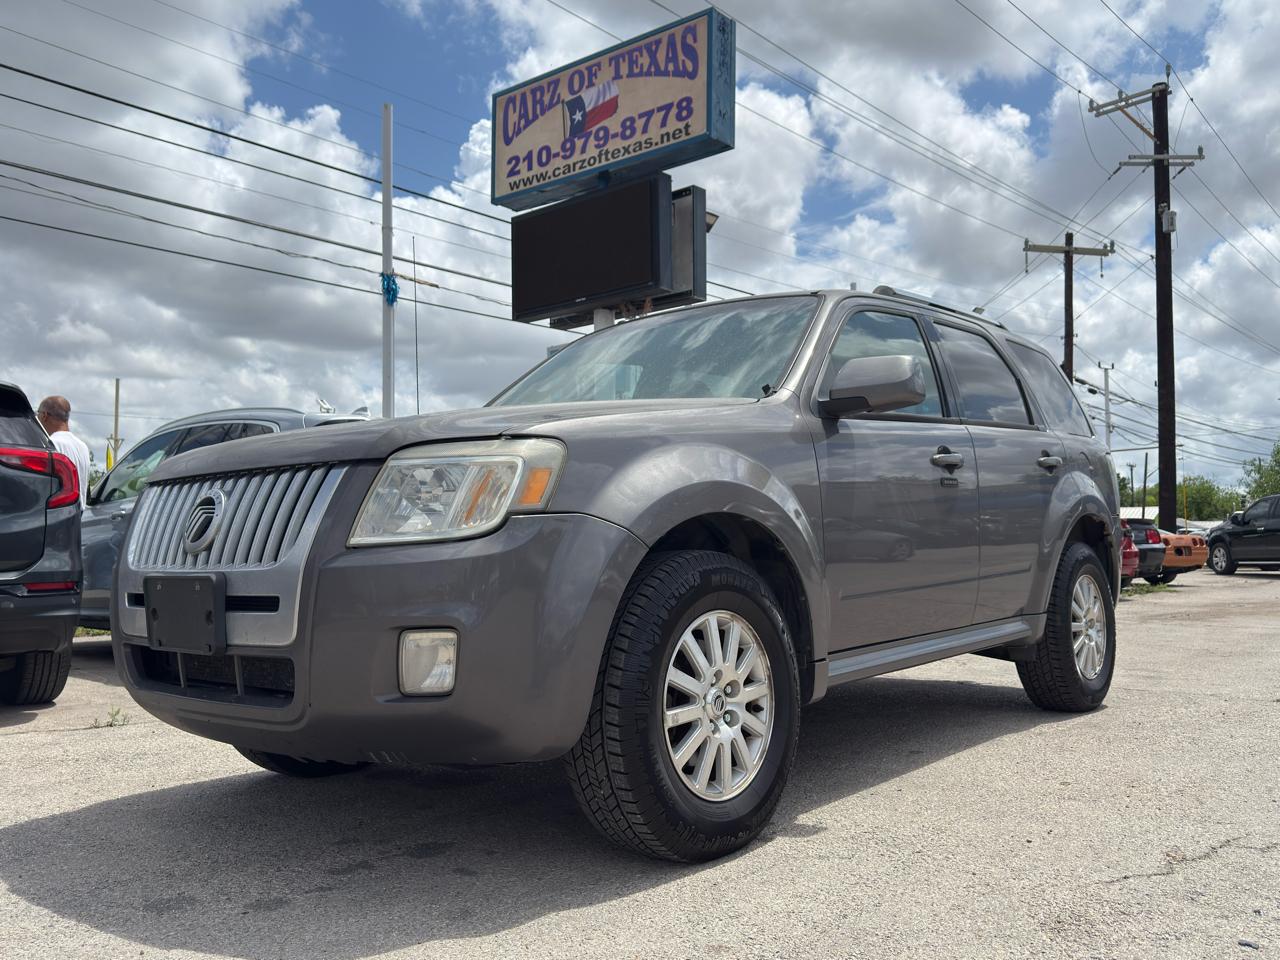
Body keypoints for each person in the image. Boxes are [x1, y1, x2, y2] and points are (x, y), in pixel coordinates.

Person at [36, 395, 90, 506]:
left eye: (38, 414)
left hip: (59, 512)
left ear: (44, 416)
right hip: (78, 512)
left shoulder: (49, 444)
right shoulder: (83, 446)